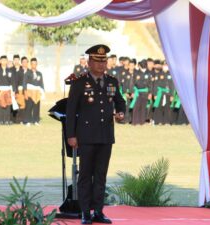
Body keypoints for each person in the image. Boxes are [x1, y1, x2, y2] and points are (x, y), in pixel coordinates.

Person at [66, 44, 126, 224]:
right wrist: (71, 135)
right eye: (97, 61)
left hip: (106, 136)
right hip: (86, 136)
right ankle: (85, 212)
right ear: (89, 62)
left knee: (101, 175)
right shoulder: (79, 82)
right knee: (85, 175)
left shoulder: (111, 81)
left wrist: (121, 113)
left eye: (104, 61)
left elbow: (120, 102)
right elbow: (71, 111)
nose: (101, 65)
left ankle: (98, 211)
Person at [23, 58, 44, 125]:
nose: (34, 65)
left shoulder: (39, 73)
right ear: (31, 64)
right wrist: (25, 92)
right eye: (32, 64)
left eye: (35, 64)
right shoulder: (27, 73)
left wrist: (42, 92)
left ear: (37, 64)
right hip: (30, 92)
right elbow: (24, 83)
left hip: (37, 92)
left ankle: (36, 120)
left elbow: (41, 83)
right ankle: (28, 121)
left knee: (36, 106)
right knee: (29, 106)